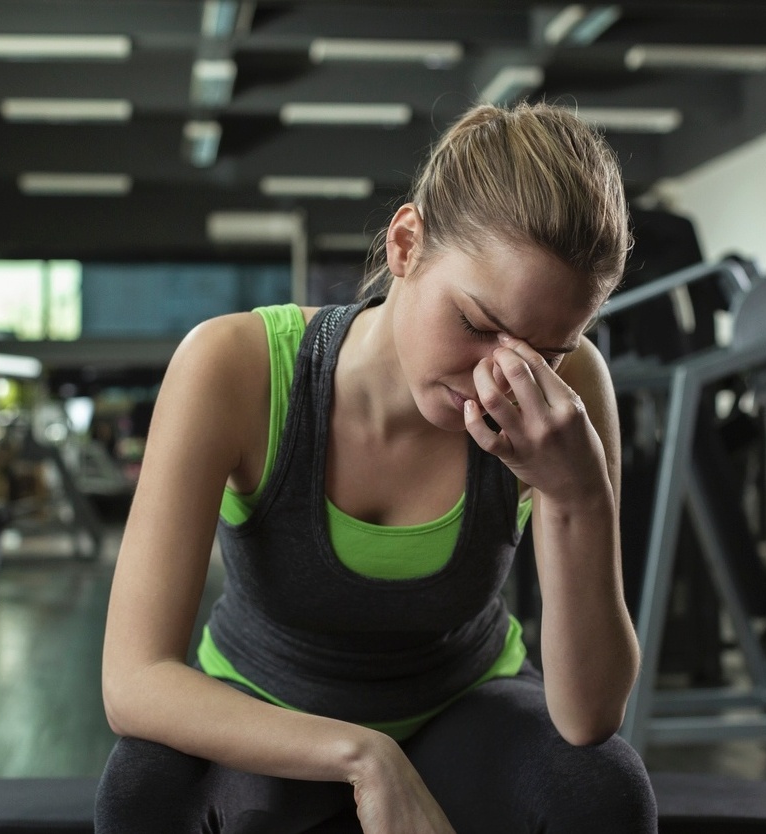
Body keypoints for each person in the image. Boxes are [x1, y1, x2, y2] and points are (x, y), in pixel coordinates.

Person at [95, 100, 657, 833]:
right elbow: (134, 681)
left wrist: (577, 494)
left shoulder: (568, 395)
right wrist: (364, 756)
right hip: (265, 702)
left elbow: (588, 717)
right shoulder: (233, 367)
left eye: (545, 352)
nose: (501, 377)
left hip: (466, 706)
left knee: (601, 789)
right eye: (477, 325)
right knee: (144, 794)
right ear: (404, 244)